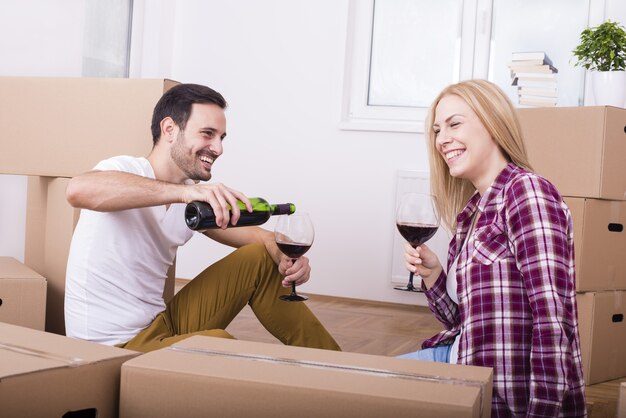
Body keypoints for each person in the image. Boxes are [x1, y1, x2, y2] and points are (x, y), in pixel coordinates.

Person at [64, 83, 340, 353]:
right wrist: (184, 194)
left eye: (221, 138)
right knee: (218, 346)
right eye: (208, 134)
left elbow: (258, 237)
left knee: (259, 258)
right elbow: (78, 190)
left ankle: (336, 367)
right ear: (170, 129)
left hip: (160, 324)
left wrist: (285, 256)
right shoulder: (124, 169)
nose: (218, 148)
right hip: (115, 347)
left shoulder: (190, 198)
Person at [399, 80, 586, 417]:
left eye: (455, 124)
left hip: (500, 392)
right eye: (437, 130)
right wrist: (434, 275)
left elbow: (553, 320)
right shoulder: (471, 213)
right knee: (354, 388)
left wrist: (541, 412)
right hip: (460, 357)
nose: (442, 139)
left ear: (493, 122)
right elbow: (463, 321)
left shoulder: (526, 193)